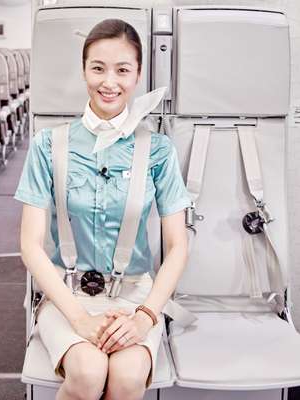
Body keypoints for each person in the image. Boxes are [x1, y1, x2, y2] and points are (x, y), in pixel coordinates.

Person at [15, 18, 191, 400]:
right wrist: (79, 318)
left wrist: (145, 316)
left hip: (135, 297)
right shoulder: (48, 145)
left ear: (138, 74)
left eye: (122, 70)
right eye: (98, 68)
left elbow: (178, 246)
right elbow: (30, 245)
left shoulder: (158, 149)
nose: (109, 82)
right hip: (67, 296)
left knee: (127, 379)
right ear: (83, 71)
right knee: (89, 372)